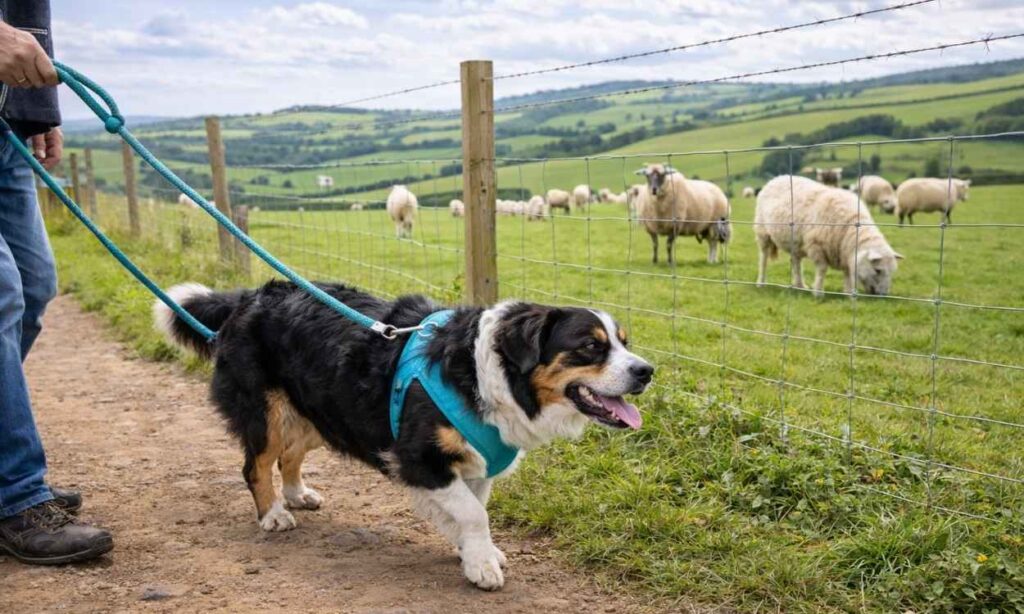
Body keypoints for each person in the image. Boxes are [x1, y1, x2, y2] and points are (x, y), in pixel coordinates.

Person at [0, 1, 113, 564]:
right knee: (1, 295)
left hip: (6, 124)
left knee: (35, 286)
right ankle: (15, 495)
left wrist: (38, 108)